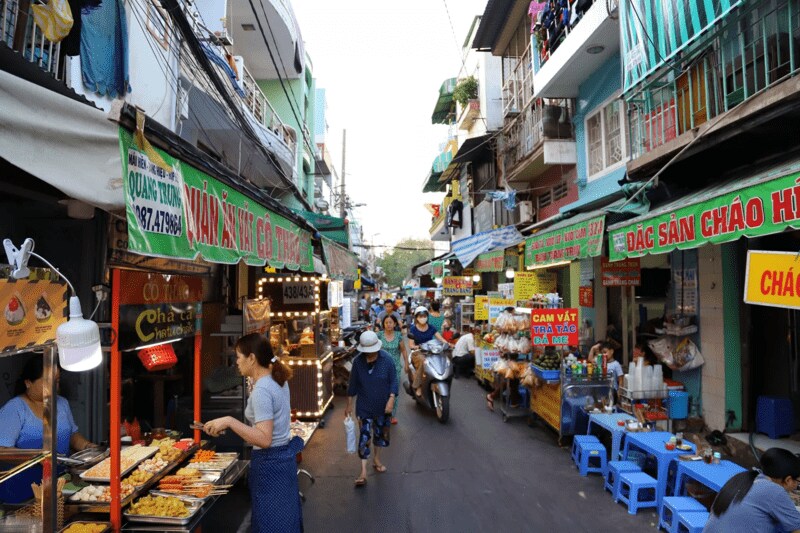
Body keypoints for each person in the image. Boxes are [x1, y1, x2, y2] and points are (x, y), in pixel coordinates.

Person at [203, 333, 303, 533]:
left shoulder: (263, 389)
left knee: (271, 524)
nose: (237, 362)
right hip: (283, 462)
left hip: (270, 465)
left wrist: (229, 421)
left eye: (239, 357)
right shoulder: (277, 379)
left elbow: (264, 439)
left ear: (252, 358)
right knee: (285, 521)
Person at [0, 357, 95, 503]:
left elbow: (71, 435)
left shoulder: (62, 403)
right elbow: (2, 450)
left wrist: (89, 447)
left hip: (59, 485)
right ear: (28, 383)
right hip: (21, 492)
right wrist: (37, 457)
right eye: (47, 381)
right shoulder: (15, 409)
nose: (53, 387)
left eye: (56, 381)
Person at [345, 331, 398, 487]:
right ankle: (363, 471)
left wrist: (391, 399)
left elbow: (393, 381)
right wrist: (349, 405)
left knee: (380, 436)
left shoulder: (387, 360)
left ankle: (376, 459)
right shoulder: (357, 362)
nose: (369, 354)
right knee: (364, 437)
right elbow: (352, 385)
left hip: (383, 406)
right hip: (364, 407)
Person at [704, 447, 800, 533]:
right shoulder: (774, 490)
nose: (796, 486)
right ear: (788, 480)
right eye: (798, 482)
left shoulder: (741, 478)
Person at [408, 307, 451, 396]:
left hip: (431, 351)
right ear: (416, 317)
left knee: (444, 359)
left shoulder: (431, 328)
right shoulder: (413, 329)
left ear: (427, 317)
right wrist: (416, 347)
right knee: (424, 362)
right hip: (418, 352)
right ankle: (418, 386)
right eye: (420, 316)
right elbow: (410, 345)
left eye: (424, 316)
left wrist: (448, 344)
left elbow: (441, 338)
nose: (422, 318)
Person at [376, 314, 407, 425]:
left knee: (394, 391)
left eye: (390, 322)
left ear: (394, 324)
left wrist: (407, 364)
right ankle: (382, 412)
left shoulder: (398, 336)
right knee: (382, 390)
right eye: (386, 323)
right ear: (383, 324)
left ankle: (392, 415)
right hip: (381, 368)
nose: (388, 324)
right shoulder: (379, 335)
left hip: (396, 368)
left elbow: (403, 350)